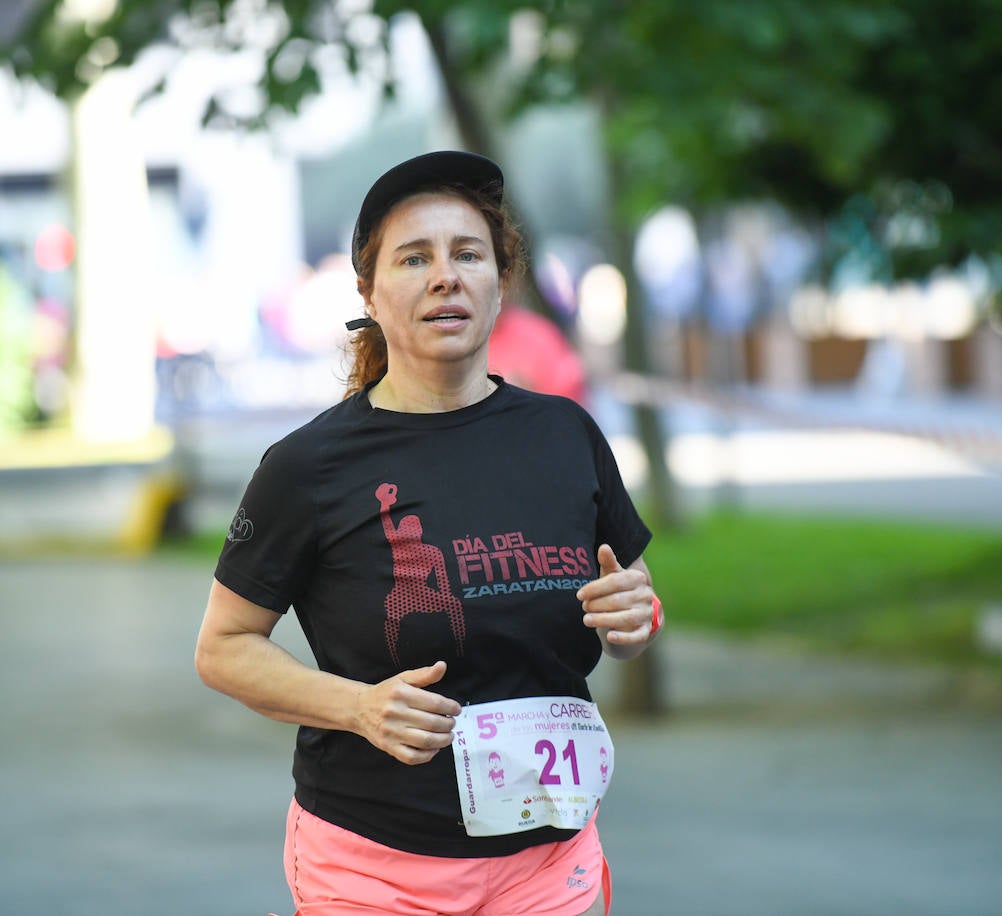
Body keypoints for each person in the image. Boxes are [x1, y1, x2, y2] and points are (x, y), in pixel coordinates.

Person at [195, 150, 664, 916]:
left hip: (548, 857)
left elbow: (636, 608)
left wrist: (635, 619)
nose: (445, 275)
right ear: (370, 295)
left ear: (499, 282)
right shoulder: (310, 465)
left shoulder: (564, 435)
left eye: (467, 254)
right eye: (415, 258)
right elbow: (222, 648)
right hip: (374, 864)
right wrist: (356, 707)